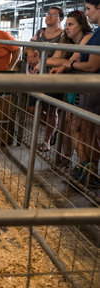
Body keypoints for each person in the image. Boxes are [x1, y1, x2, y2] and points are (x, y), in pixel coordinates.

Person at [56, 4, 100, 182]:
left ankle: (90, 171)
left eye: (89, 8)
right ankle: (87, 167)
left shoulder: (94, 35)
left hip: (91, 89)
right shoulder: (96, 33)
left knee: (85, 131)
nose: (87, 12)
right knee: (80, 130)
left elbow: (91, 66)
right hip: (86, 89)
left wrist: (70, 65)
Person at [22, 7, 65, 153]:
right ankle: (54, 129)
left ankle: (46, 140)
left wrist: (41, 59)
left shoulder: (63, 35)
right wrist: (30, 55)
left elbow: (60, 57)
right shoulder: (40, 32)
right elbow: (29, 46)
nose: (50, 17)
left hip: (52, 76)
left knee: (52, 109)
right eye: (48, 14)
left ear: (61, 19)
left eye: (54, 15)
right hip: (36, 76)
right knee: (34, 108)